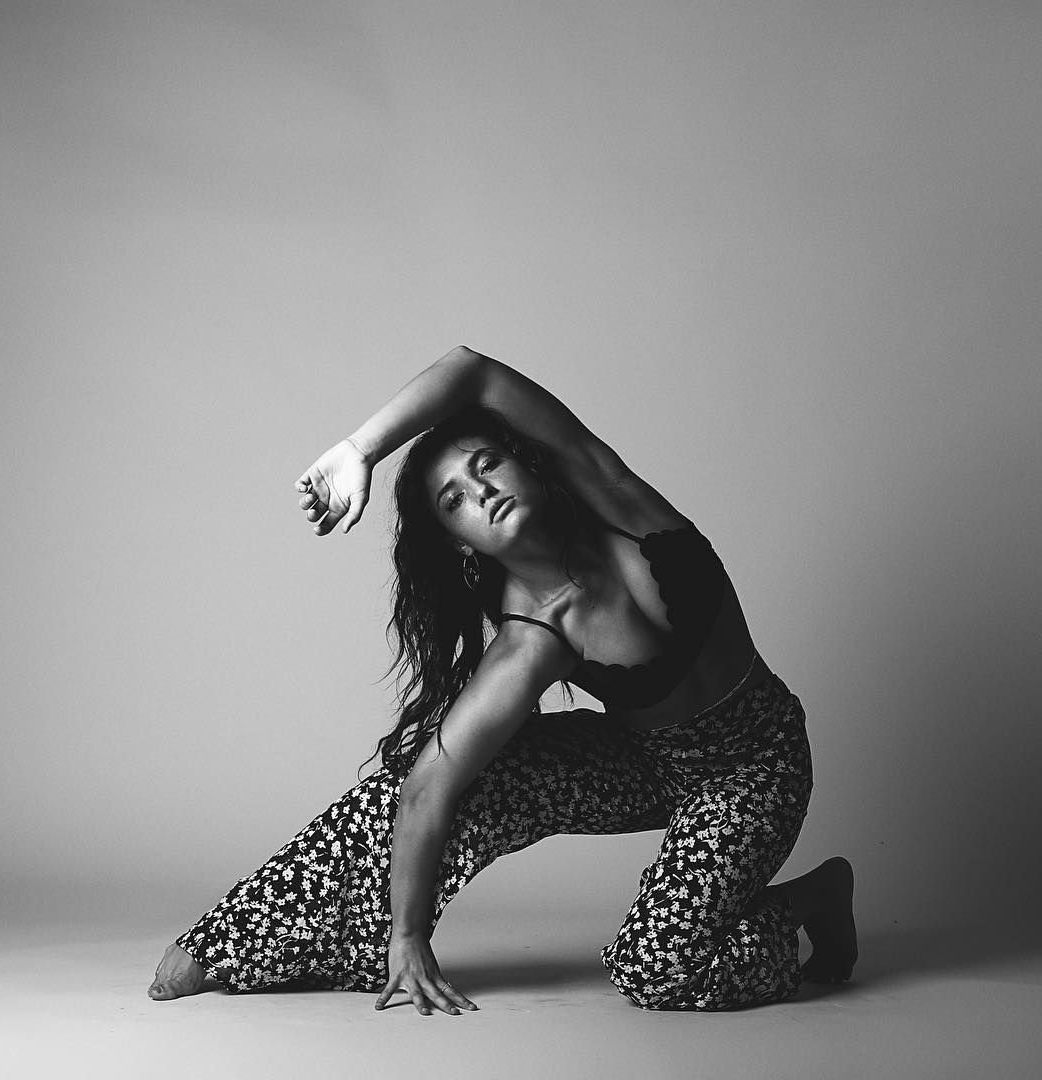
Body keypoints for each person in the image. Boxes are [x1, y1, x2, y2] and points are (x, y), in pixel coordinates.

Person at [147, 345, 856, 1014]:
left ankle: (813, 898)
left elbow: (474, 371)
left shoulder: (621, 504)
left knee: (656, 967)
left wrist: (361, 450)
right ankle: (236, 942)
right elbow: (429, 788)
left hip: (757, 767)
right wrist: (408, 936)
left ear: (529, 466)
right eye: (454, 500)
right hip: (649, 765)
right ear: (460, 542)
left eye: (487, 464)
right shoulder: (532, 639)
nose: (481, 492)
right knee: (414, 788)